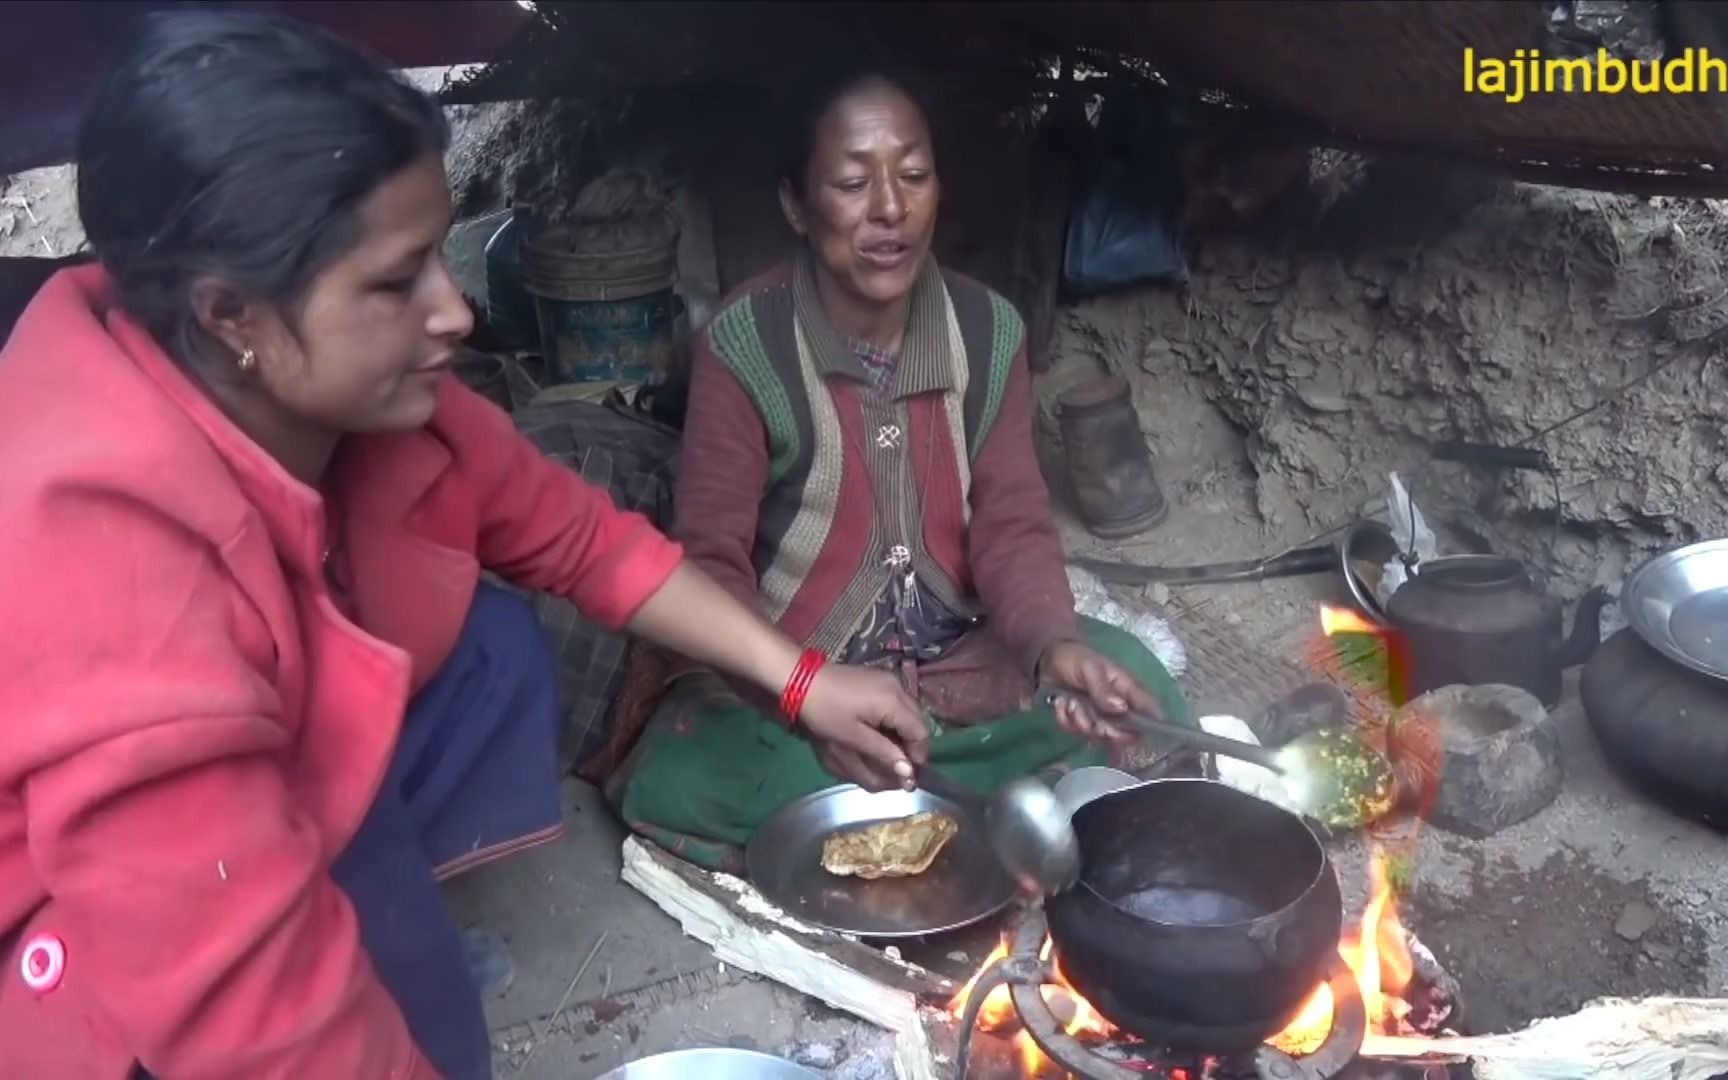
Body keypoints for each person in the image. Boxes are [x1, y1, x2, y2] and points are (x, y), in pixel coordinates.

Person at [0, 13, 930, 1080]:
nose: (455, 312)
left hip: (286, 775)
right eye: (397, 283)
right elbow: (249, 1022)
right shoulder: (107, 566)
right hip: (73, 931)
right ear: (231, 317)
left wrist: (802, 680)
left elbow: (587, 543)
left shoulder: (375, 413)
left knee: (488, 661)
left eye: (440, 255)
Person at [607, 65, 1194, 870]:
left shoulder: (989, 332)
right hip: (796, 682)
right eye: (853, 182)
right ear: (795, 205)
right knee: (689, 768)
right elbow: (709, 562)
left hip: (958, 667)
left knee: (1131, 682)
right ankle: (991, 816)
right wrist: (800, 693)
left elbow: (1014, 523)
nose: (890, 207)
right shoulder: (744, 345)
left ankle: (903, 820)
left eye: (913, 176)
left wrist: (1052, 648)